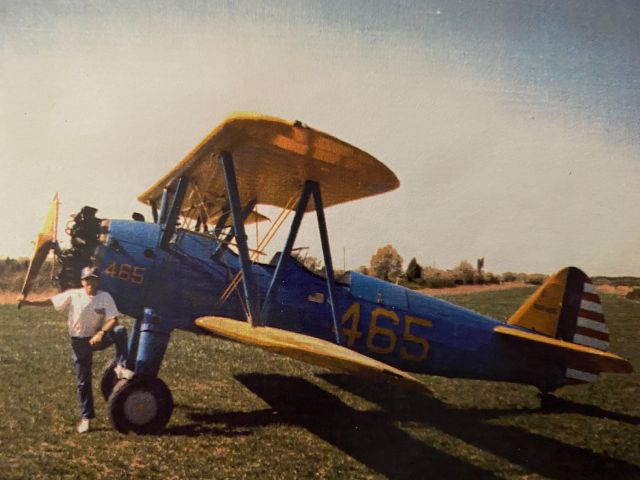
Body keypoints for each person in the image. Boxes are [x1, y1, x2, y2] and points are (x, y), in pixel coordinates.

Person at [18, 266, 134, 433]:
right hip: (79, 342)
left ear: (98, 280)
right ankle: (86, 418)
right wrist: (28, 302)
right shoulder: (74, 294)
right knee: (83, 381)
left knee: (120, 331)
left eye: (93, 279)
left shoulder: (105, 297)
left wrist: (101, 333)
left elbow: (113, 319)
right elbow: (50, 301)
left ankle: (120, 366)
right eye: (87, 279)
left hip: (97, 338)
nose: (90, 283)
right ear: (82, 281)